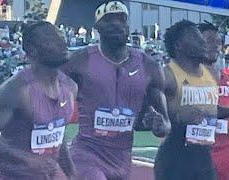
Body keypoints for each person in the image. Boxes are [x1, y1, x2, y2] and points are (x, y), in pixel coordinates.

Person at [61, 1, 171, 179]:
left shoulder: (149, 66)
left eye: (121, 19)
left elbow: (164, 125)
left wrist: (158, 124)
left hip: (122, 159)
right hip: (87, 153)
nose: (115, 24)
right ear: (97, 27)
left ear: (128, 26)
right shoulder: (79, 60)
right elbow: (48, 90)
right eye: (108, 20)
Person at [0, 21, 77, 180]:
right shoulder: (17, 89)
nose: (61, 44)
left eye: (60, 38)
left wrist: (72, 173)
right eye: (50, 41)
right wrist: (25, 159)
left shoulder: (70, 87)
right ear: (33, 51)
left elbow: (57, 135)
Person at [154, 20, 219, 180]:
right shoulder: (167, 75)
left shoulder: (211, 73)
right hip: (175, 159)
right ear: (178, 45)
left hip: (204, 158)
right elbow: (148, 113)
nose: (202, 41)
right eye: (194, 37)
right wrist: (175, 119)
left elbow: (212, 110)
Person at [198, 22, 229, 180]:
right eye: (209, 41)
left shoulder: (227, 78)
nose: (215, 45)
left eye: (218, 41)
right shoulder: (184, 81)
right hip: (200, 166)